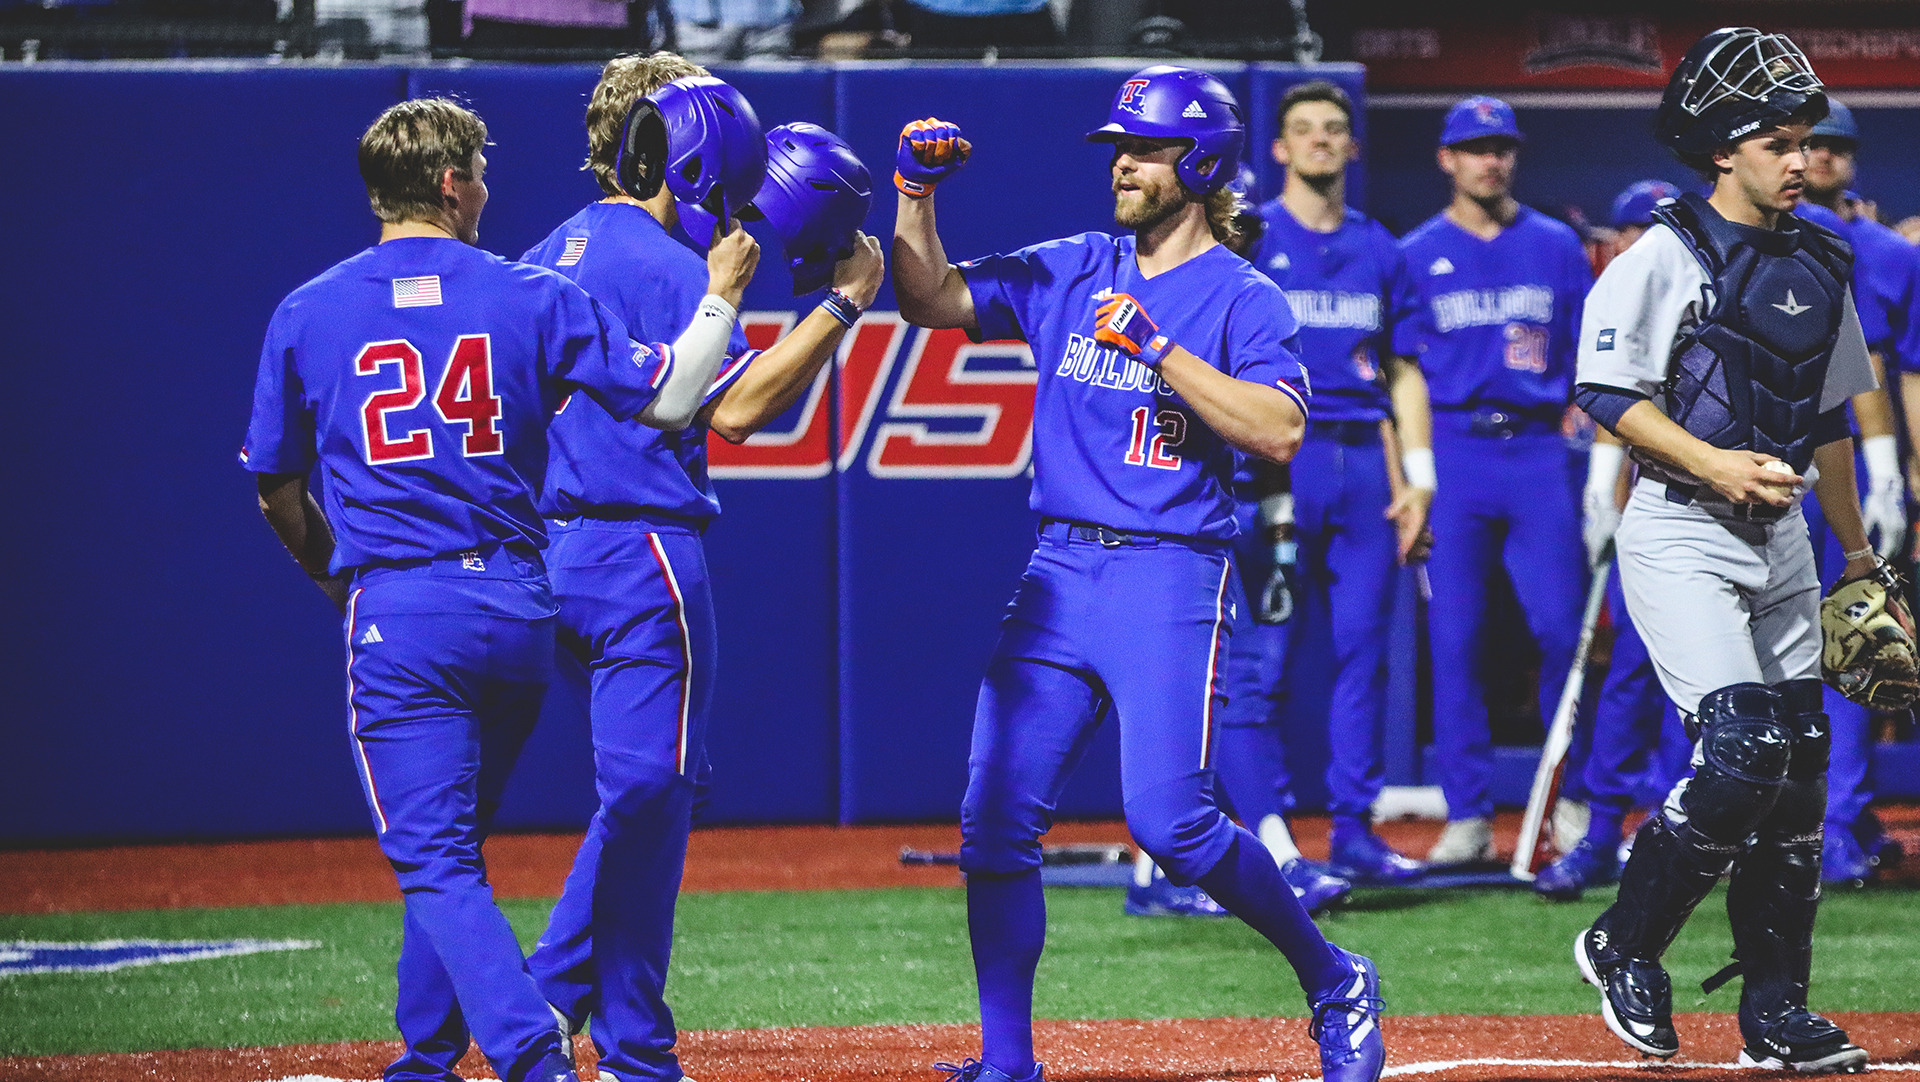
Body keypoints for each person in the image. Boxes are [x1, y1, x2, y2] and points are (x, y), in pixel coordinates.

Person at [891, 65, 1385, 1082]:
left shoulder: (1243, 296)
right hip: (1058, 569)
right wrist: (914, 199)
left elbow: (1283, 430)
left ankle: (1335, 978)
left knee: (1174, 823)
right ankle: (1008, 1059)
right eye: (1119, 145)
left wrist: (1160, 348)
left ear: (1198, 164)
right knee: (993, 821)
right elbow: (930, 297)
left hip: (1169, 573)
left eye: (1145, 147)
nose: (1121, 162)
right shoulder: (1078, 262)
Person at [241, 98, 698, 1082]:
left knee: (435, 855)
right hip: (517, 609)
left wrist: (334, 576)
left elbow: (275, 487)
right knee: (449, 846)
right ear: (452, 184)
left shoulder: (309, 308)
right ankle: (426, 1052)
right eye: (479, 172)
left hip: (402, 609)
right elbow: (671, 392)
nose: (487, 187)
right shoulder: (528, 293)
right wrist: (727, 296)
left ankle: (533, 1051)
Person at [518, 57, 885, 1082]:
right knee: (651, 786)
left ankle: (627, 1040)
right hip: (641, 550)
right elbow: (735, 407)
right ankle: (563, 1002)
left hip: (546, 549)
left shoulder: (551, 244)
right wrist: (844, 304)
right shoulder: (676, 265)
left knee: (654, 786)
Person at [1570, 28, 1877, 1071]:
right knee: (1743, 751)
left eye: (1806, 142)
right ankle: (1624, 941)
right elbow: (1607, 393)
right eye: (1780, 142)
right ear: (1723, 150)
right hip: (1682, 525)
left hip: (1784, 533)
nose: (1801, 159)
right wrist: (1714, 461)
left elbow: (1830, 416)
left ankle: (1776, 1014)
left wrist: (1860, 552)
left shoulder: (1827, 256)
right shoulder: (1664, 252)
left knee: (1799, 777)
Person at [1396, 95, 1593, 864]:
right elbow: (1400, 373)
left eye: (1501, 147)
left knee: (1559, 631)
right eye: (1475, 148)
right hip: (1454, 451)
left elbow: (1588, 358)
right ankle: (1468, 815)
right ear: (1447, 159)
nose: (1491, 160)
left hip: (1540, 451)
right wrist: (1413, 475)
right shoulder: (1416, 252)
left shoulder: (1555, 244)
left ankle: (1565, 801)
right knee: (1457, 641)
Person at [1250, 78, 1431, 885]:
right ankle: (1267, 832)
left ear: (1353, 147)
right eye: (1304, 130)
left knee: (1365, 653)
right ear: (1280, 148)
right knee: (1267, 656)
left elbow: (1402, 371)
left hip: (1362, 463)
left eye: (1334, 129)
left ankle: (1354, 830)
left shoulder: (1382, 248)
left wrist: (1416, 480)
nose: (1321, 141)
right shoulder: (1251, 238)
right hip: (1276, 463)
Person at [1536, 181, 1694, 901]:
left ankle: (1673, 823)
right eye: (1633, 229)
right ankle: (1601, 828)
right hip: (1645, 505)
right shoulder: (1611, 293)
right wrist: (1604, 483)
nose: (1644, 241)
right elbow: (1610, 386)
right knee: (1629, 669)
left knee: (1690, 682)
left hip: (1709, 506)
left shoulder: (1706, 292)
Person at [1792, 98, 1916, 882]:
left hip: (1856, 458)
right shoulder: (1765, 239)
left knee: (1857, 637)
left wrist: (1899, 476)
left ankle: (1839, 816)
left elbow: (1895, 369)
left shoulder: (1892, 255)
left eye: (1837, 146)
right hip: (1771, 457)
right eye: (1812, 145)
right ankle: (1815, 818)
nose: (1824, 158)